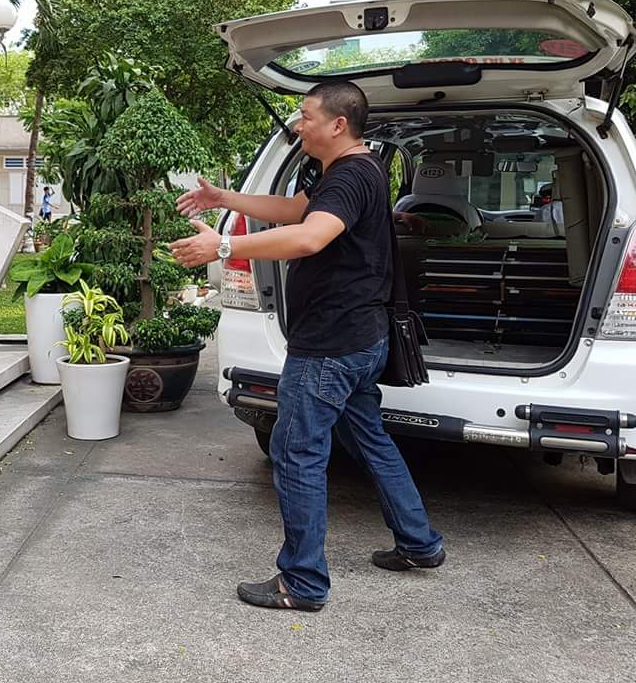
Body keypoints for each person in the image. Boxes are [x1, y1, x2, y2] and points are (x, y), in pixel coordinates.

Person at [170, 79, 443, 612]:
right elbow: (296, 210)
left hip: (330, 346)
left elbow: (309, 237)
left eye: (306, 116)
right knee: (371, 441)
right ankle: (419, 543)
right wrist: (224, 198)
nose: (298, 124)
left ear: (338, 124)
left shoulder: (350, 177)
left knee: (296, 453)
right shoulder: (351, 170)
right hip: (360, 340)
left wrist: (223, 245)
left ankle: (302, 582)